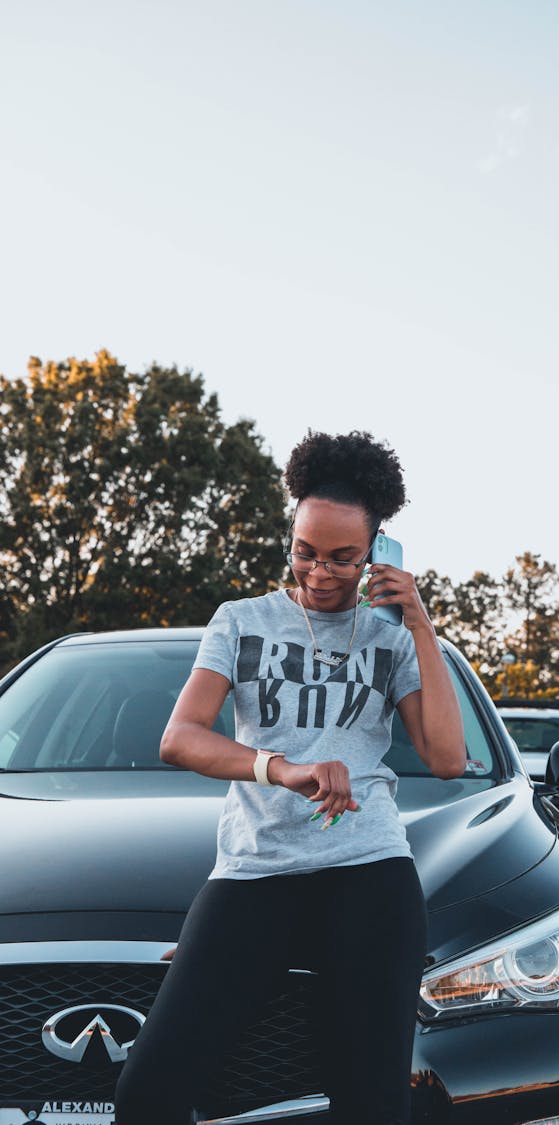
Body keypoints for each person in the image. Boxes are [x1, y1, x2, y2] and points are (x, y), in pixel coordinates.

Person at [114, 429, 465, 1125]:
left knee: (372, 1103)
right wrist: (285, 768)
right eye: (305, 550)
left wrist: (419, 620)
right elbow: (179, 738)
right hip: (255, 869)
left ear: (376, 553)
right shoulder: (241, 623)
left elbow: (447, 757)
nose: (319, 570)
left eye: (343, 557)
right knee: (147, 1092)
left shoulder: (391, 640)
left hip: (370, 873)